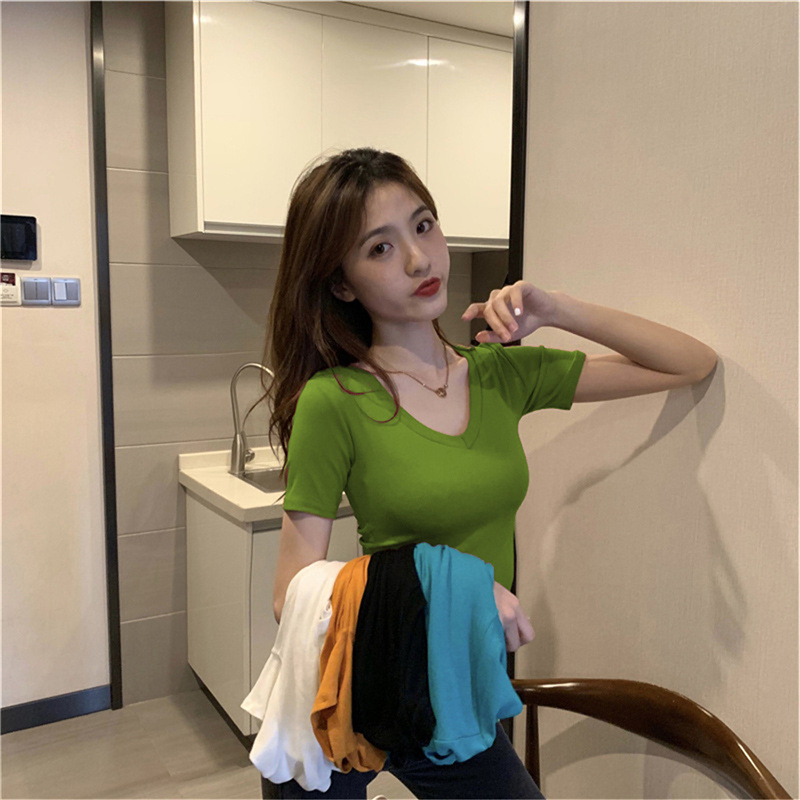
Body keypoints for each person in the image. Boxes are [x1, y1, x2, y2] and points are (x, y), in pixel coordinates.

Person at [259, 147, 718, 799]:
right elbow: (290, 594)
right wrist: (463, 587)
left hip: (468, 675)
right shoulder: (334, 401)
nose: (418, 259)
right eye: (380, 248)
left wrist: (556, 308)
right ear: (341, 284)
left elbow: (689, 363)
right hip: (368, 672)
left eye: (423, 226)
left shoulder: (501, 375)